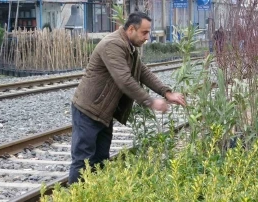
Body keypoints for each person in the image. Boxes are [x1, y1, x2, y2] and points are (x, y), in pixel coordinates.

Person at [68, 12, 186, 184]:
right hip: (88, 110)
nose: (147, 37)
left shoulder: (128, 47)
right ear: (131, 29)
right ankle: (74, 196)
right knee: (82, 161)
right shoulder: (113, 45)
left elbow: (143, 72)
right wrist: (151, 102)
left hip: (103, 113)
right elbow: (124, 80)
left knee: (100, 161)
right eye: (144, 32)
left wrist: (166, 92)